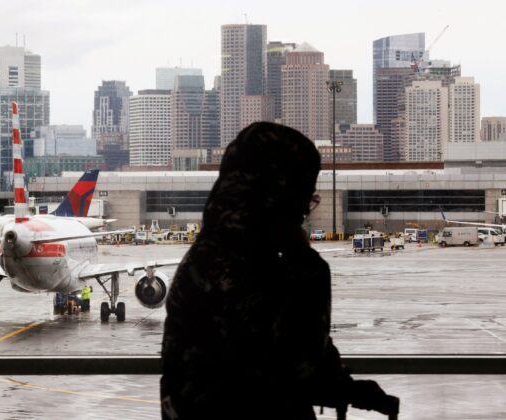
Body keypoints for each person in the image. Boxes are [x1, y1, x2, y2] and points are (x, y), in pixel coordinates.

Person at [160, 122, 398, 419]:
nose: (303, 214)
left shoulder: (221, 257)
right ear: (276, 199)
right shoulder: (235, 270)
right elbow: (295, 367)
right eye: (302, 200)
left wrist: (344, 386)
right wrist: (309, 265)